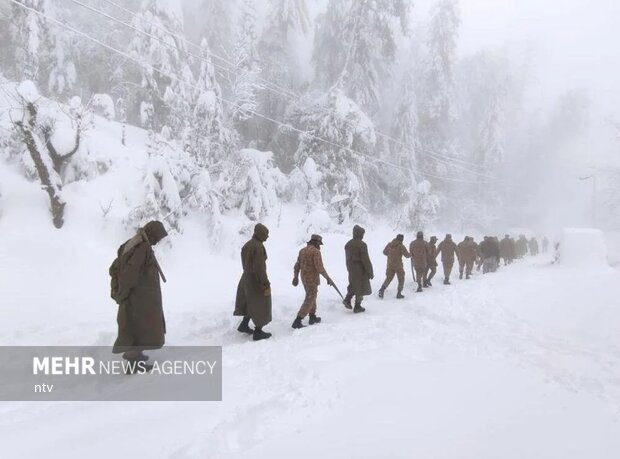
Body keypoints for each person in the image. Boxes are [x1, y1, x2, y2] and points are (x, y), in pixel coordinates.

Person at [110, 220, 168, 371]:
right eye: (158, 238)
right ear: (153, 234)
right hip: (140, 297)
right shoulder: (141, 247)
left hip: (140, 296)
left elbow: (116, 266)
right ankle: (133, 362)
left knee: (138, 327)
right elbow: (130, 272)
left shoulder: (135, 243)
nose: (158, 241)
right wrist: (123, 292)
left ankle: (136, 356)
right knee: (140, 327)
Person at [234, 223, 273, 341]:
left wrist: (248, 274)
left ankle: (244, 324)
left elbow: (244, 263)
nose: (267, 237)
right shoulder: (258, 247)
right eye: (266, 234)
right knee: (261, 304)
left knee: (248, 302)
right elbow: (259, 268)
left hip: (246, 278)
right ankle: (258, 332)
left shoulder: (247, 245)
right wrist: (265, 283)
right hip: (256, 281)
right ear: (260, 234)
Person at [292, 234, 334, 328]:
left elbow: (297, 265)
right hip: (312, 279)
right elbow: (319, 267)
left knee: (311, 296)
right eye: (319, 243)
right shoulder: (316, 252)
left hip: (304, 279)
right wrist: (328, 278)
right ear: (316, 242)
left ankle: (312, 316)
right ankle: (298, 320)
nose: (320, 246)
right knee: (310, 298)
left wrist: (295, 277)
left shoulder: (302, 251)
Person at [343, 225, 374, 313]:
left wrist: (349, 268)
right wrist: (370, 272)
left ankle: (347, 299)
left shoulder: (348, 244)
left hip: (351, 268)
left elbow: (347, 258)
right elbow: (365, 260)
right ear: (360, 234)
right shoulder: (362, 245)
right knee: (361, 286)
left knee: (353, 284)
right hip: (360, 269)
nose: (363, 235)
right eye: (362, 234)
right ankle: (357, 306)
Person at [379, 234, 410, 299]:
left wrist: (391, 255)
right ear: (401, 240)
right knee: (401, 279)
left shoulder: (390, 244)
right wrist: (412, 254)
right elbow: (407, 255)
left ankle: (382, 290)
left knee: (389, 278)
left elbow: (384, 252)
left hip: (390, 264)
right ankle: (399, 293)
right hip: (398, 266)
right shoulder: (401, 246)